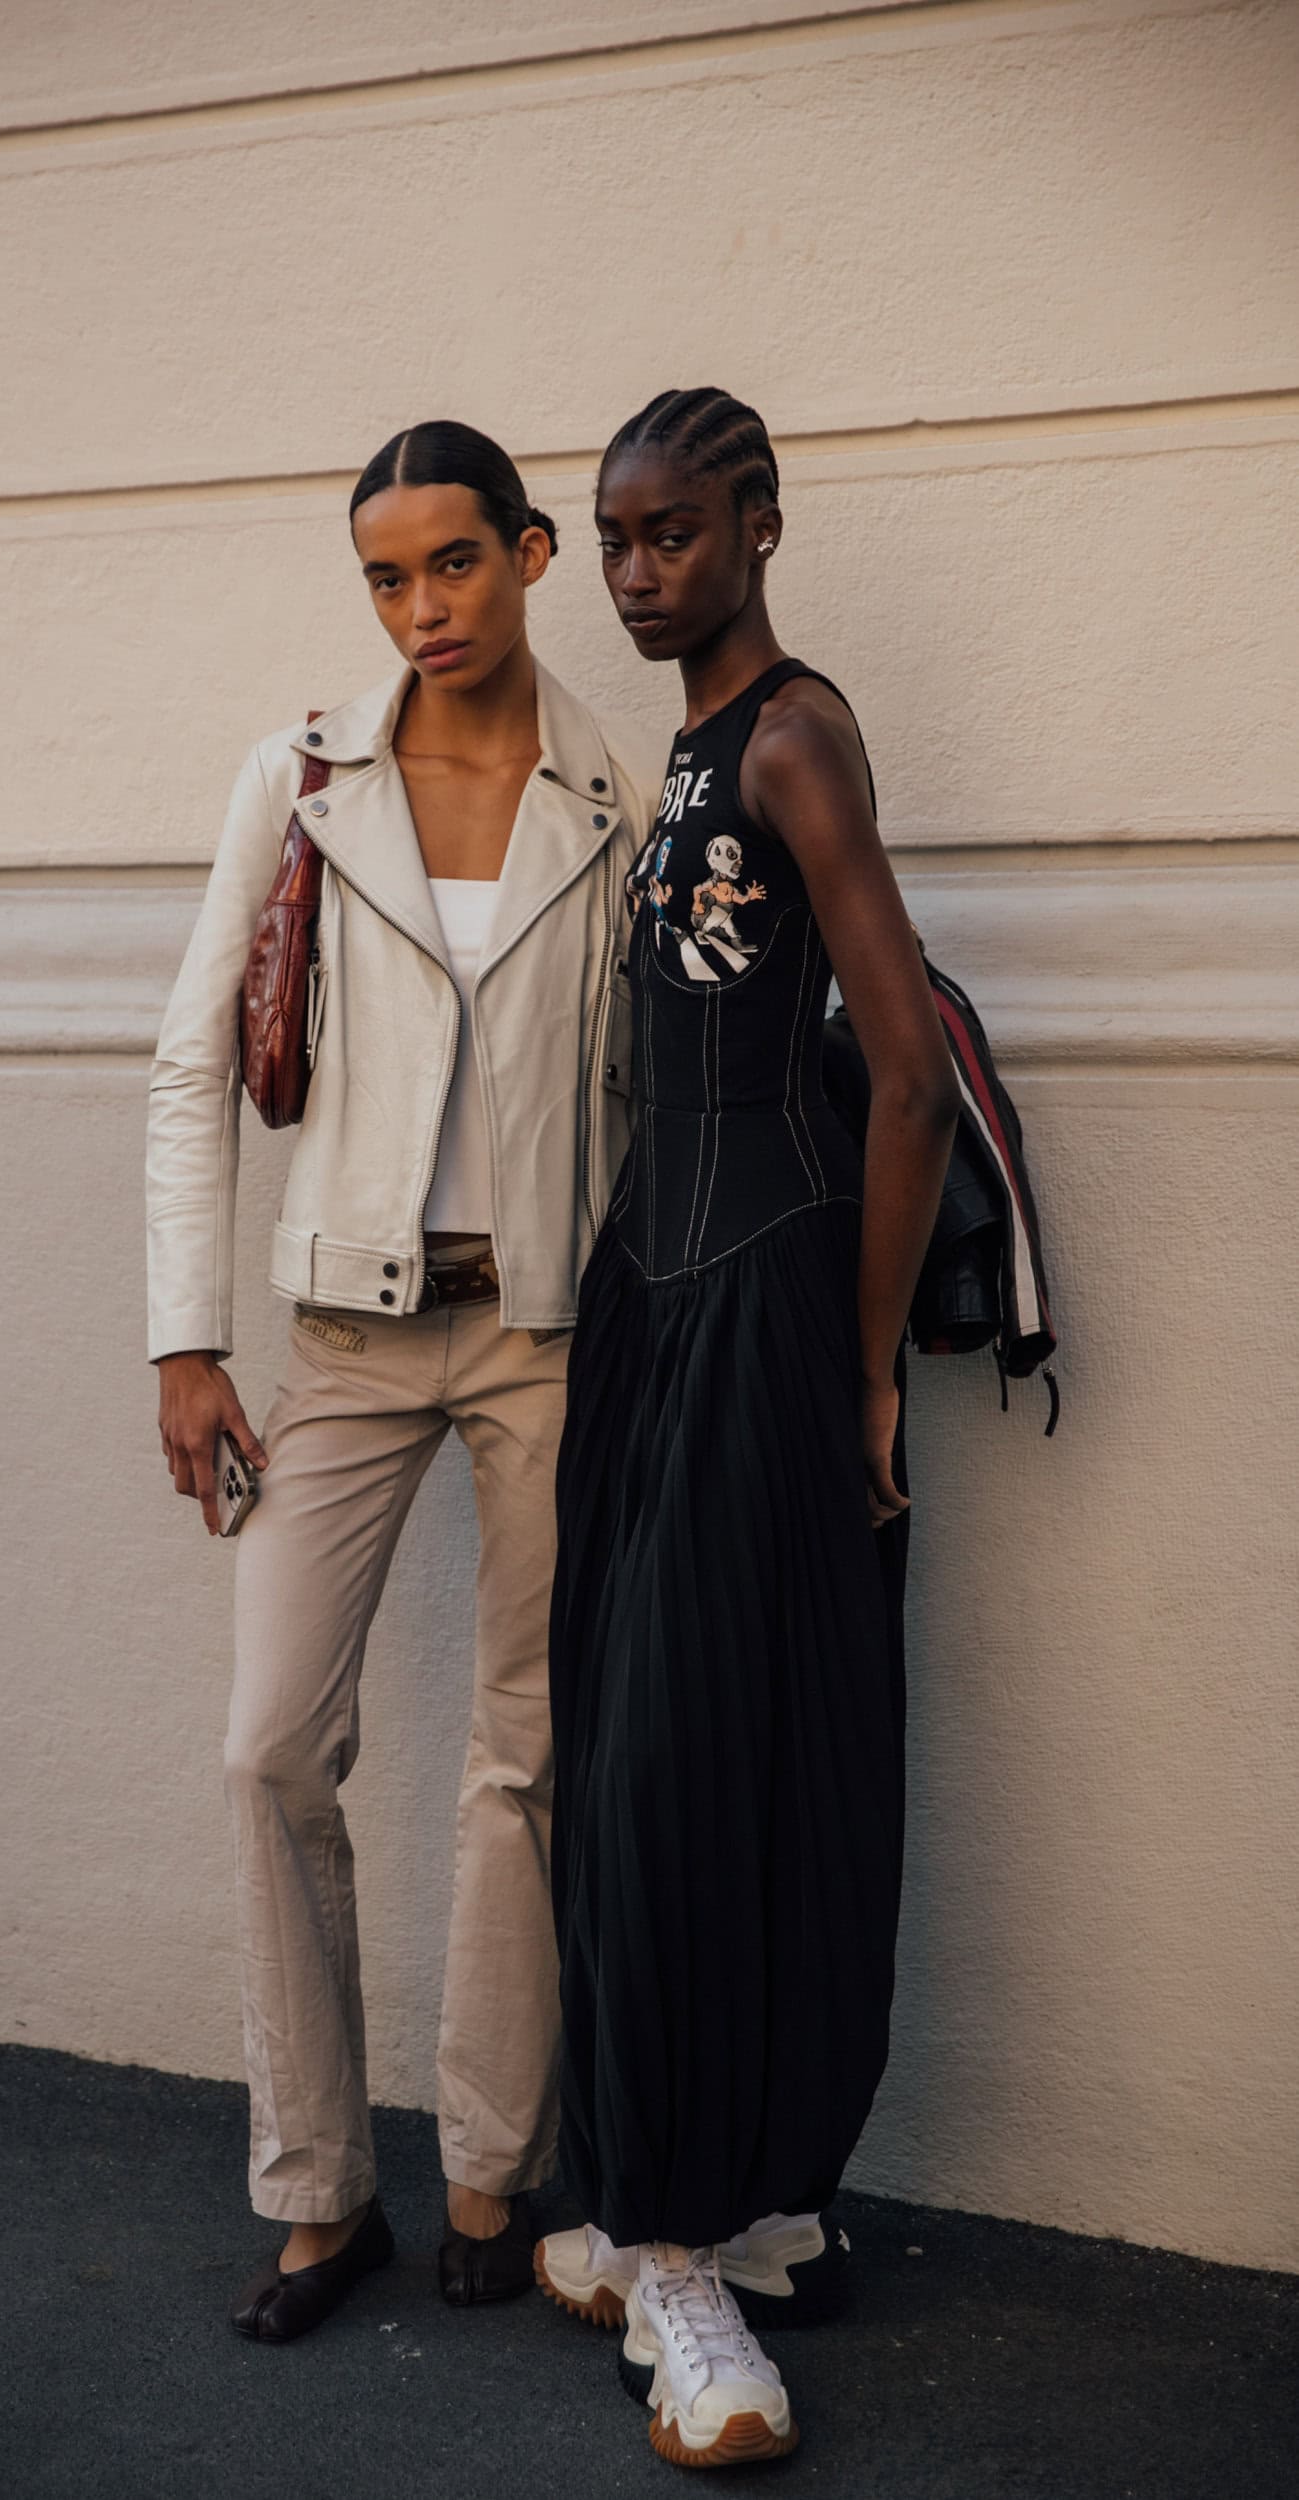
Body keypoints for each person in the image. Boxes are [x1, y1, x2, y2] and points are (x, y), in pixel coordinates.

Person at [145, 421, 652, 2342]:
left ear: (529, 555)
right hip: (342, 1336)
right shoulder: (300, 777)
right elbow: (195, 1060)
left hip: (545, 1329)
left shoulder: (616, 794)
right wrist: (187, 1339)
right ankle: (318, 2187)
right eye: (384, 576)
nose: (421, 608)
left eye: (453, 563)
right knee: (272, 1743)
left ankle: (491, 2170)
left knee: (526, 1756)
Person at [532, 389, 959, 2467]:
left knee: (695, 1777)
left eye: (674, 533)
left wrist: (864, 1367)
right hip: (655, 1292)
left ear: (760, 524)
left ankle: (690, 2248)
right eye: (615, 538)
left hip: (764, 1306)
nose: (636, 573)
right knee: (639, 1754)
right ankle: (705, 2195)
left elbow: (910, 1075)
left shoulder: (789, 735)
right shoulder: (691, 745)